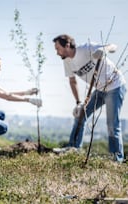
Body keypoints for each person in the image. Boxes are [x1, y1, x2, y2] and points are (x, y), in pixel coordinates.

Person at [52, 34, 126, 162]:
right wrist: (78, 102)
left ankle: (117, 159)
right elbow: (72, 81)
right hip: (99, 89)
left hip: (114, 85)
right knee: (81, 114)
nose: (56, 52)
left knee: (112, 124)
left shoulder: (87, 48)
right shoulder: (67, 61)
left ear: (67, 45)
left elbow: (113, 46)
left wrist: (103, 50)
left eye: (58, 48)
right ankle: (73, 148)